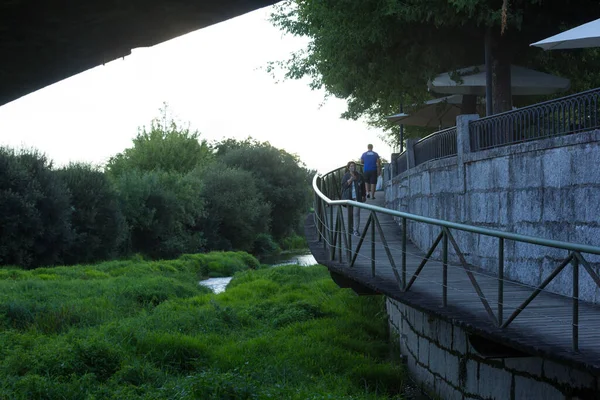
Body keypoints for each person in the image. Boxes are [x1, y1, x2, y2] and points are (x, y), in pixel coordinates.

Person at [341, 161, 366, 236]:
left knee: (356, 214)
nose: (353, 167)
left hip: (357, 197)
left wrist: (364, 195)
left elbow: (363, 186)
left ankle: (356, 230)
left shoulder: (359, 175)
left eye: (354, 166)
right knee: (350, 215)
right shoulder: (346, 176)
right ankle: (350, 229)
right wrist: (350, 180)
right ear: (348, 168)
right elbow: (343, 186)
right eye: (351, 166)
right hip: (349, 198)